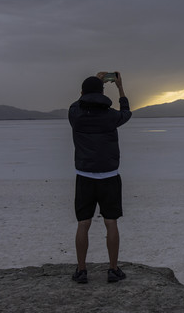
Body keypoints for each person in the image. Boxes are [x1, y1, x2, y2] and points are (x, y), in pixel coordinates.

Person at [68, 72, 132, 284]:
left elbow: (78, 103)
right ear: (103, 93)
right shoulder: (111, 116)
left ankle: (81, 270)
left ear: (83, 93)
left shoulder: (75, 114)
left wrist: (93, 81)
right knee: (111, 222)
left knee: (83, 223)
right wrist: (120, 87)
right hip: (110, 176)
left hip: (85, 176)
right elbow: (126, 111)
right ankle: (113, 270)